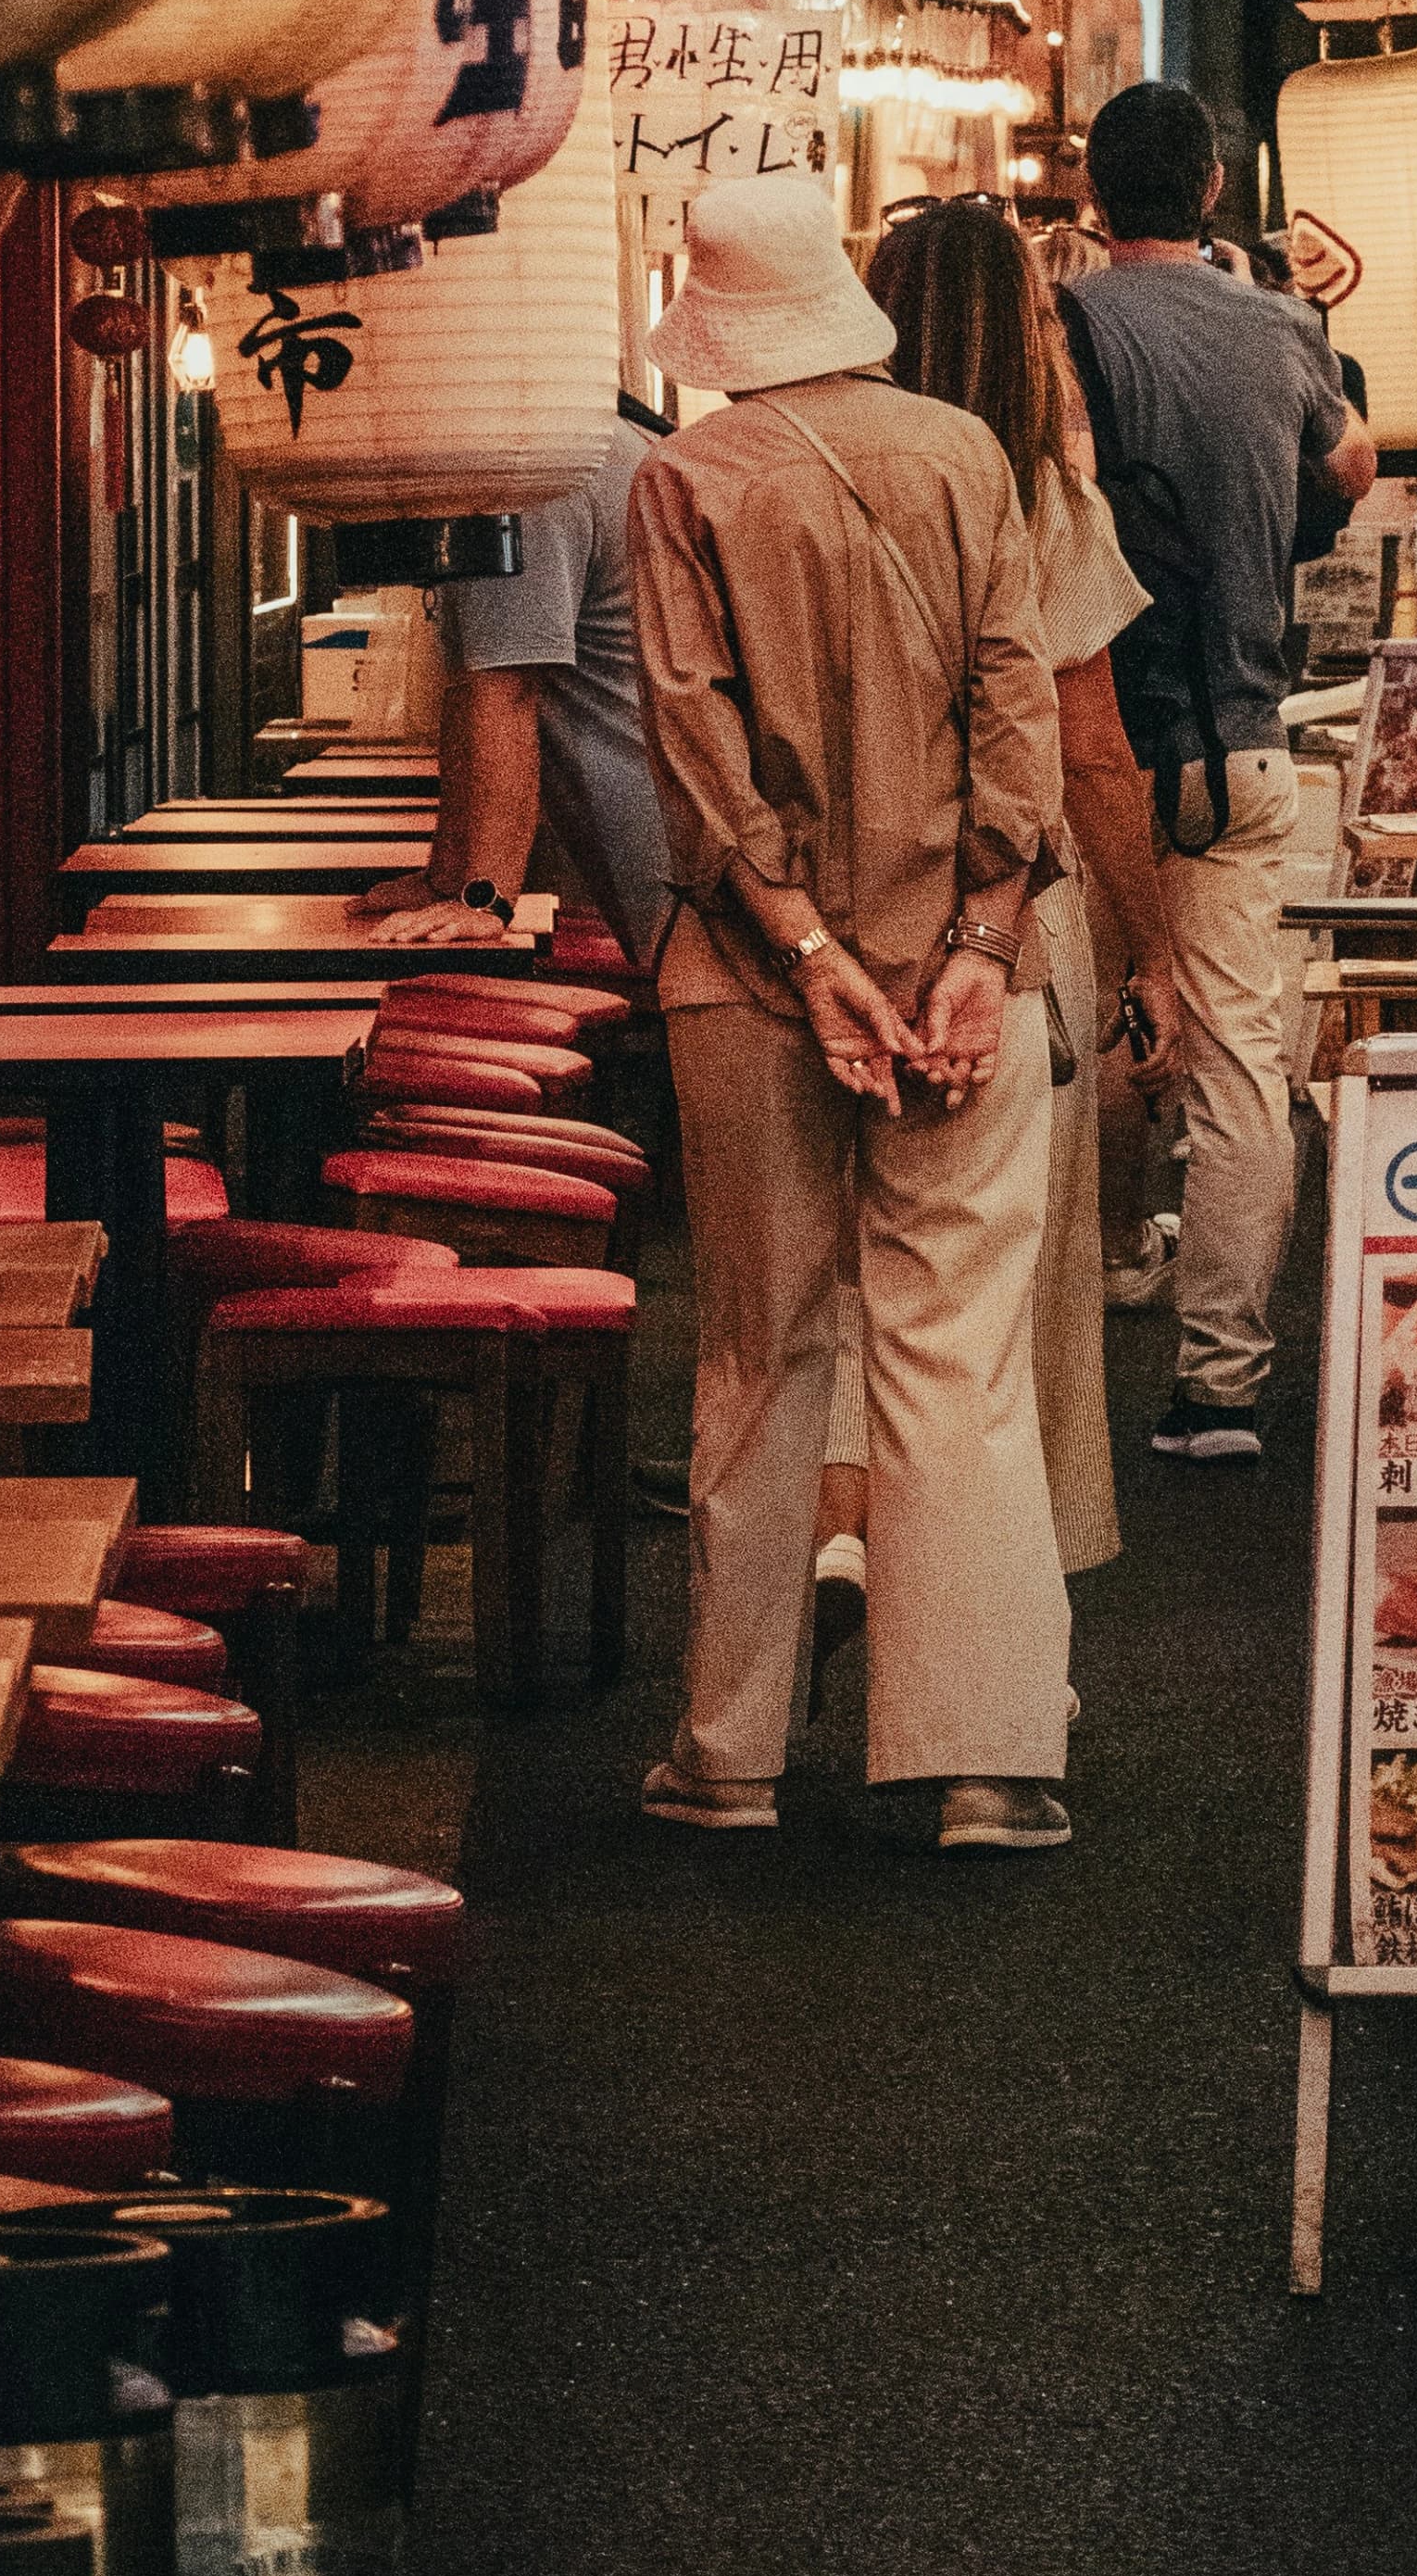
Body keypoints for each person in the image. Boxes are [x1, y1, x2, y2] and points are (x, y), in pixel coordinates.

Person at [627, 174, 1077, 1854]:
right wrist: (974, 938)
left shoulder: (681, 483)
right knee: (955, 1349)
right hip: (962, 963)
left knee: (760, 1354)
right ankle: (983, 1762)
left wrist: (809, 951)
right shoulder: (963, 455)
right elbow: (1011, 697)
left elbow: (693, 735)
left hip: (748, 984)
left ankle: (729, 1754)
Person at [837, 194, 1184, 1588]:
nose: (1057, 332)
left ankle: (861, 1529)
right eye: (1042, 313)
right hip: (1010, 919)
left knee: (872, 1274)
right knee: (1013, 1286)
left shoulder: (828, 474)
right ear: (1010, 329)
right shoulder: (1040, 494)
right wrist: (1155, 950)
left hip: (839, 920)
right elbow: (1091, 753)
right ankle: (999, 1607)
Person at [1064, 77, 1376, 1462]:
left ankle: (1057, 1348)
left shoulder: (1062, 327)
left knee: (1083, 1041)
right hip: (1248, 742)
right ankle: (1222, 1386)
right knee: (1249, 1063)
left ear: (1090, 197)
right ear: (1208, 190)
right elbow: (1355, 465)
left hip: (1097, 752)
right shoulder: (1283, 324)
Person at [361, 401, 677, 962]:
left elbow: (508, 692)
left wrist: (485, 899)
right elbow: (469, 687)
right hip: (640, 831)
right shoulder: (564, 436)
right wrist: (446, 878)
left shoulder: (534, 467)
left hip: (655, 851)